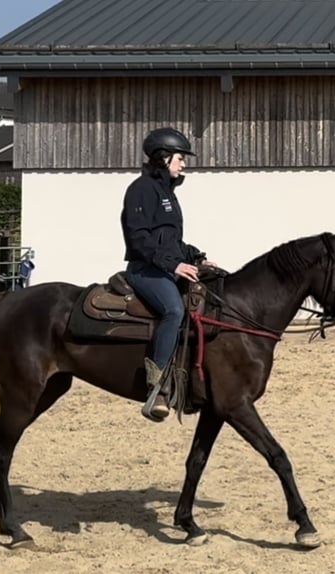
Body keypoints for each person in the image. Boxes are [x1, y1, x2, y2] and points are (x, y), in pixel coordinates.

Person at [120, 127, 214, 422]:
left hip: (163, 266)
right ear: (164, 158)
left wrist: (196, 257)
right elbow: (139, 239)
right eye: (181, 157)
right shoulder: (141, 190)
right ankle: (156, 386)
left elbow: (171, 242)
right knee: (173, 310)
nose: (184, 163)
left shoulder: (167, 194)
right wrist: (173, 266)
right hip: (144, 270)